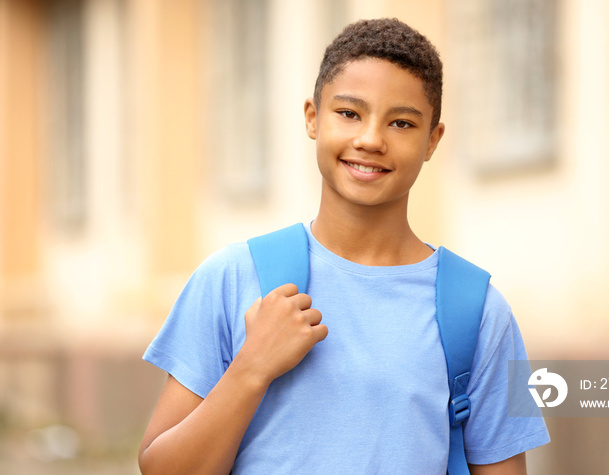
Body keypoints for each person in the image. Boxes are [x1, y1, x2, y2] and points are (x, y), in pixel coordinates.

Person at [138, 18, 549, 475]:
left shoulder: (480, 311)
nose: (371, 139)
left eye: (401, 122)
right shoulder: (233, 278)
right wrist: (250, 369)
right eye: (349, 113)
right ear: (313, 117)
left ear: (432, 140)